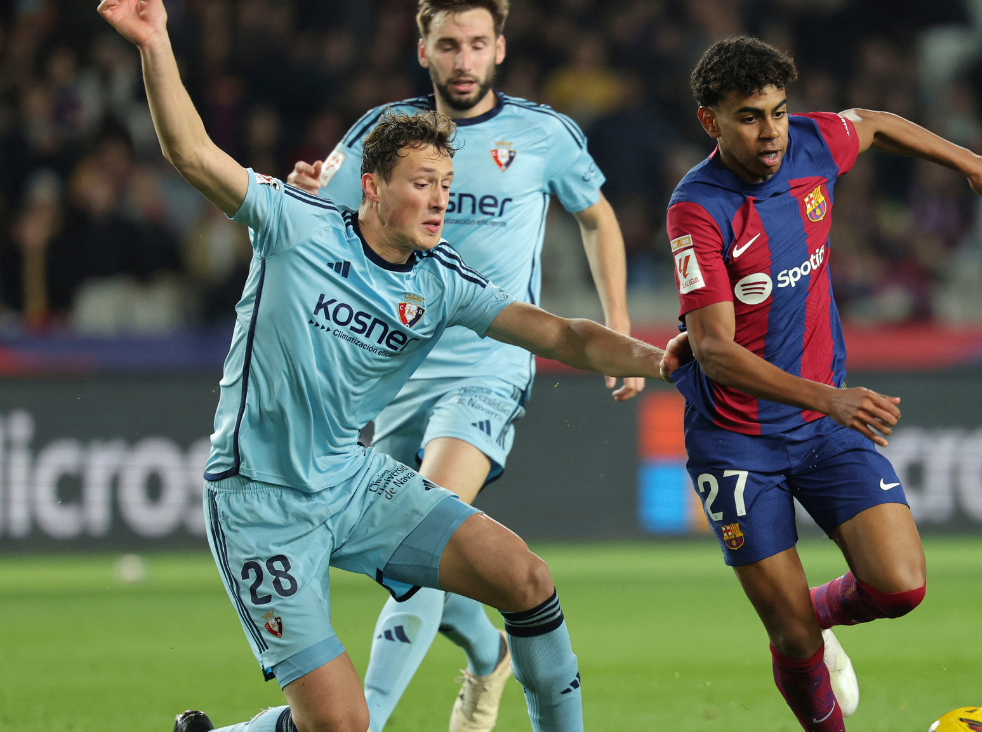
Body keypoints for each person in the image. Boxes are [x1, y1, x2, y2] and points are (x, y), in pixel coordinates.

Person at [93, 2, 674, 731]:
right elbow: (191, 153)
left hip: (355, 479)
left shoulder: (442, 278)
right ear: (370, 187)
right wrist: (156, 43)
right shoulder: (291, 223)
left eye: (445, 185)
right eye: (422, 184)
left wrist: (665, 360)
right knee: (340, 726)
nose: (441, 202)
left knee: (524, 577)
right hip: (262, 506)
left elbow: (564, 335)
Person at [285, 3, 640, 728]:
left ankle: (368, 721)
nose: (464, 60)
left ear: (500, 49)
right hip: (393, 367)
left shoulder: (542, 135)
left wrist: (619, 325)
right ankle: (489, 653)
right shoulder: (387, 135)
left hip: (489, 365)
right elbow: (328, 209)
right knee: (408, 562)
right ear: (424, 52)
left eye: (477, 44)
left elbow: (598, 216)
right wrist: (309, 196)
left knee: (425, 526)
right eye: (448, 45)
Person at [666, 37, 982, 732]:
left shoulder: (810, 143)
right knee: (792, 643)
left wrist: (970, 163)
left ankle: (816, 611)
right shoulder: (697, 209)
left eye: (777, 111)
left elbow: (878, 123)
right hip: (738, 441)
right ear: (710, 121)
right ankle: (805, 644)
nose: (770, 132)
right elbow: (712, 351)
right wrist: (831, 398)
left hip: (822, 428)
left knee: (900, 586)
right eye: (748, 116)